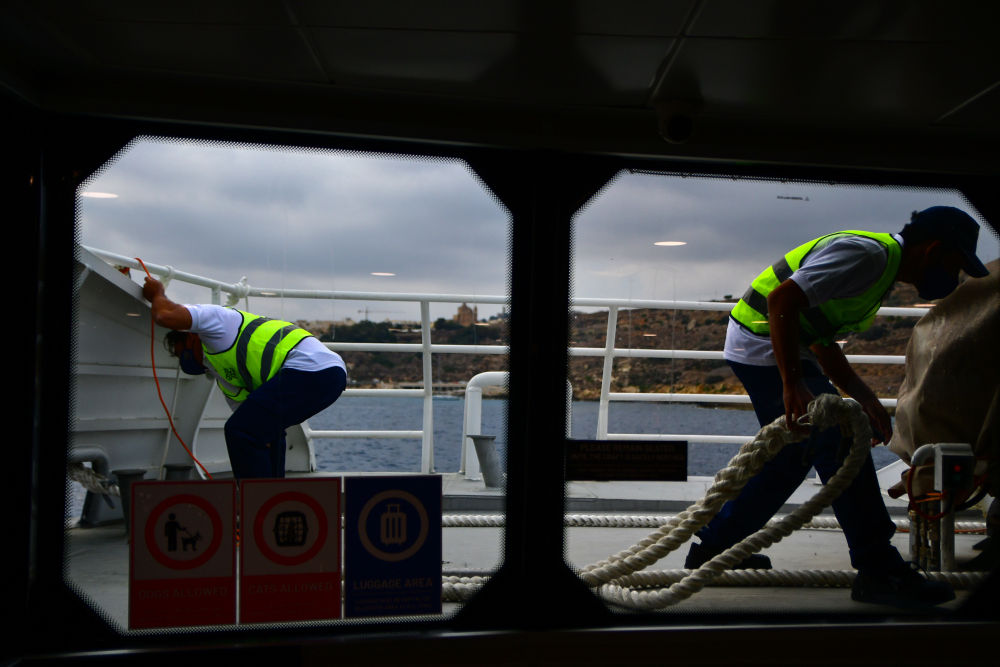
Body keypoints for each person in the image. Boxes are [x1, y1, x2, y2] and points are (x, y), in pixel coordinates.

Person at [684, 205, 990, 608]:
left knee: (791, 457)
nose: (955, 276)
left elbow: (821, 339)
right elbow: (782, 300)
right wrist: (792, 384)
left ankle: (714, 547)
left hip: (778, 346)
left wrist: (864, 398)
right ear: (933, 250)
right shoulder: (865, 256)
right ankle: (878, 568)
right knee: (842, 442)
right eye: (956, 264)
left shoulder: (879, 272)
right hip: (761, 343)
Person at [142, 277, 348, 480]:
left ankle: (257, 502)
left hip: (311, 368)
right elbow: (251, 419)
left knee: (240, 431)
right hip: (325, 374)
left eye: (182, 353)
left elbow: (164, 315)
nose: (185, 361)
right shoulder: (220, 369)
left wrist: (157, 293)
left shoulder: (216, 319)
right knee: (264, 431)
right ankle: (273, 499)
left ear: (190, 334)